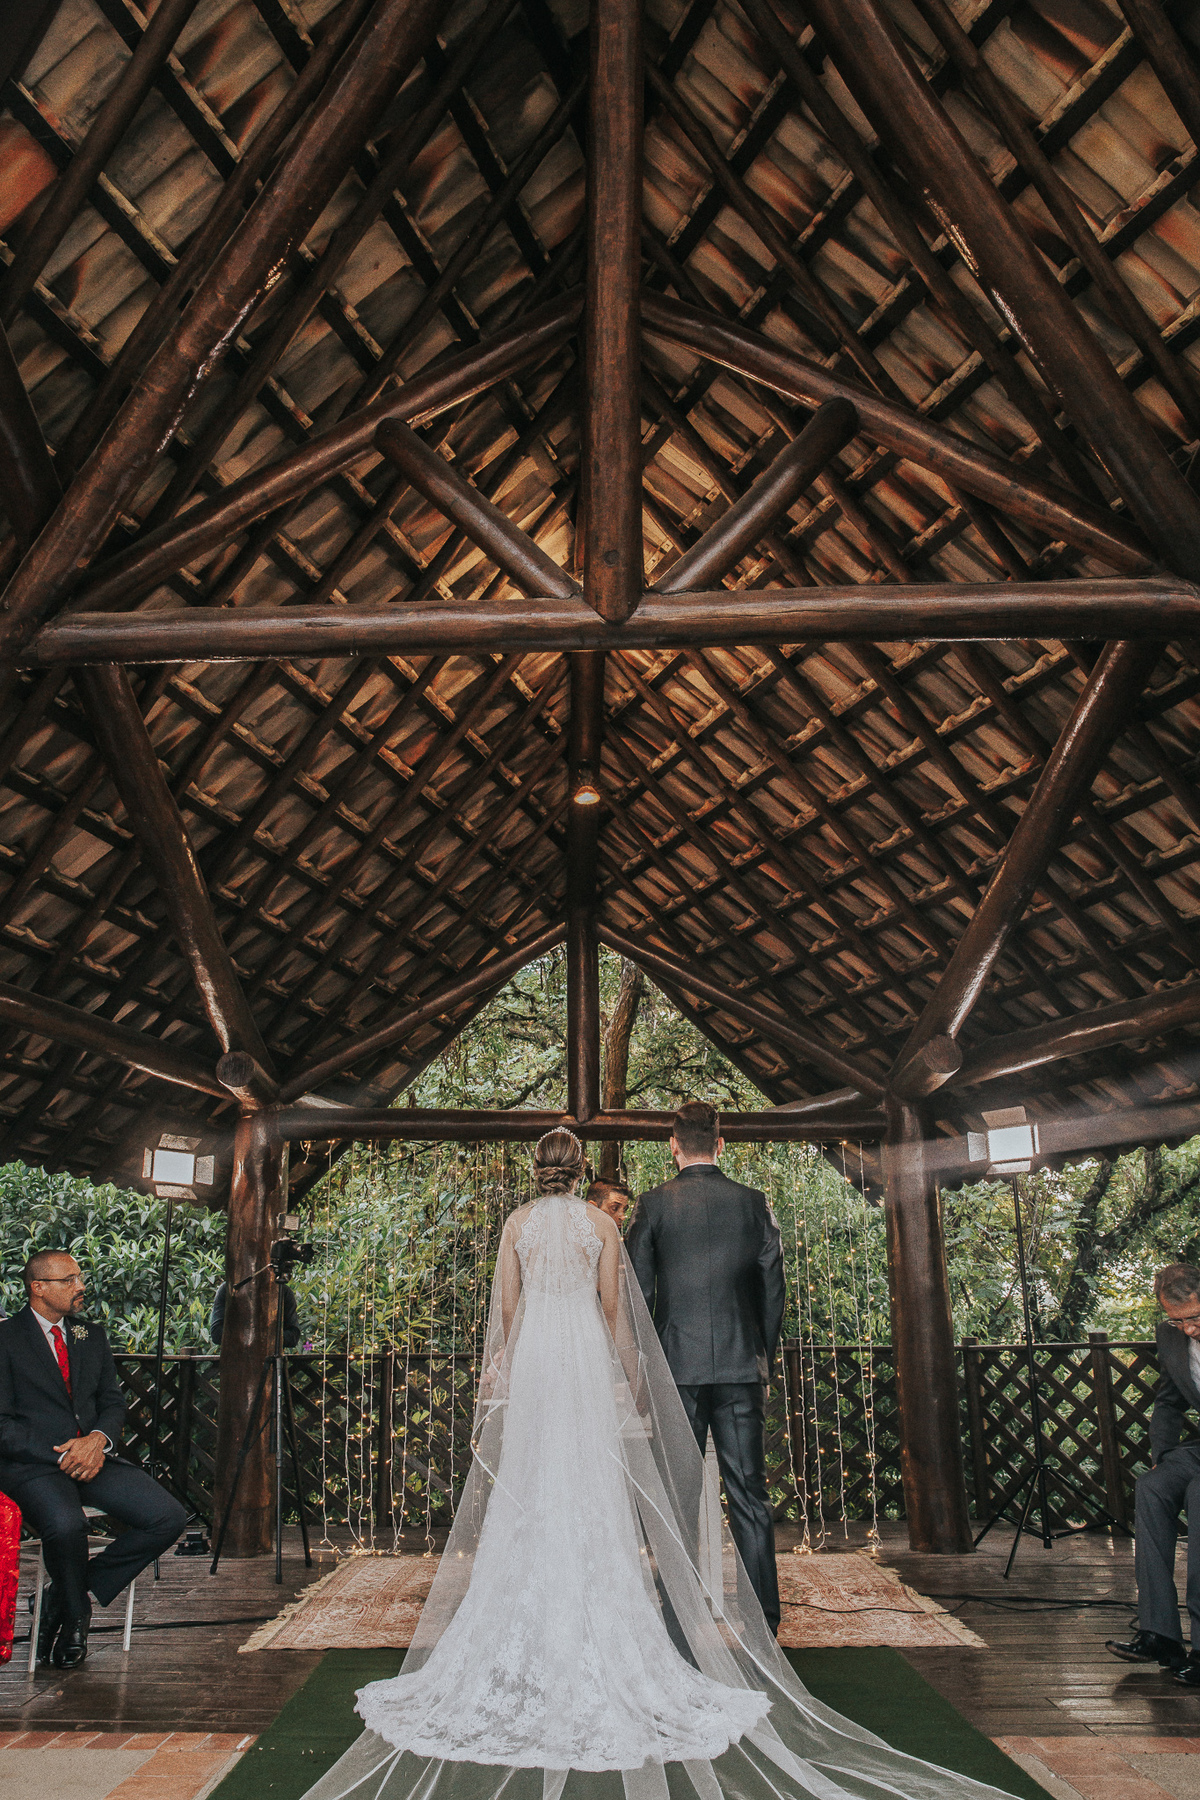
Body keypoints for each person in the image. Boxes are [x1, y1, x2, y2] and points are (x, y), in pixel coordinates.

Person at [298, 1127, 1017, 1800]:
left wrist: (504, 1370)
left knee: (532, 1491)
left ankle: (521, 1631)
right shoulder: (603, 1225)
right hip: (581, 1359)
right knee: (590, 1487)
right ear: (580, 1173)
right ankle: (627, 1626)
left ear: (535, 1170)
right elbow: (616, 1310)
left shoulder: (516, 1225)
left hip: (540, 1363)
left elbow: (508, 1312)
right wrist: (630, 1383)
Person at [625, 1101, 785, 1635]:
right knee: (749, 1493)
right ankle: (763, 1620)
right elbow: (772, 1292)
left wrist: (645, 1367)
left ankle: (678, 1617)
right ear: (720, 1144)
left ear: (673, 1147)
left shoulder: (652, 1206)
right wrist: (761, 1354)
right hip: (741, 1367)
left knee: (678, 1494)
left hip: (676, 1370)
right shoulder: (754, 1203)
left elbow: (636, 1296)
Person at [0, 1250, 186, 1669]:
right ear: (38, 1288)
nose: (80, 1286)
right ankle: (75, 1619)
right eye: (69, 1280)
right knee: (67, 1525)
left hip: (93, 1457)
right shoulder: (5, 1339)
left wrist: (98, 1440)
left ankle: (63, 1598)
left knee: (167, 1517)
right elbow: (2, 1423)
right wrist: (63, 1451)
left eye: (79, 1277)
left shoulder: (91, 1335)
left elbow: (112, 1403)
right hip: (31, 1464)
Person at [1107, 1263, 1200, 1683]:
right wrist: (1163, 1453)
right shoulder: (1170, 1336)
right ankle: (1160, 1632)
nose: (1188, 1330)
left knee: (1199, 1495)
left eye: (1196, 1318)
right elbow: (1168, 1400)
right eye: (1177, 1320)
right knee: (1152, 1487)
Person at [210, 1279, 301, 1348]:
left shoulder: (283, 1291)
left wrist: (265, 1336)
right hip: (236, 1362)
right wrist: (250, 1336)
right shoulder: (229, 1288)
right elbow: (216, 1333)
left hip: (272, 1363)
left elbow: (293, 1336)